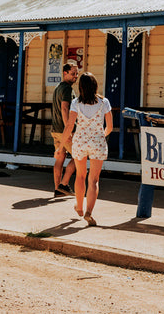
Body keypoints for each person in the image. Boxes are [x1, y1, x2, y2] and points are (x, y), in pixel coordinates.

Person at [61, 71, 113, 226]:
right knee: (94, 180)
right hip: (97, 142)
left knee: (80, 176)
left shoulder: (76, 102)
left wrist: (61, 145)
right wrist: (101, 135)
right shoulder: (104, 102)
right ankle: (89, 212)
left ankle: (79, 207)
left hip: (80, 142)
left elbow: (70, 126)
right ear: (95, 85)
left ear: (81, 87)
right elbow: (110, 126)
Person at [50, 63, 78, 197]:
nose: (76, 76)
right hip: (64, 130)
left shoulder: (58, 88)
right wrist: (69, 128)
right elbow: (64, 108)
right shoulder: (67, 89)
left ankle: (57, 189)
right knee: (78, 156)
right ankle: (64, 184)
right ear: (65, 73)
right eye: (73, 74)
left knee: (60, 157)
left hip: (55, 129)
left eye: (77, 74)